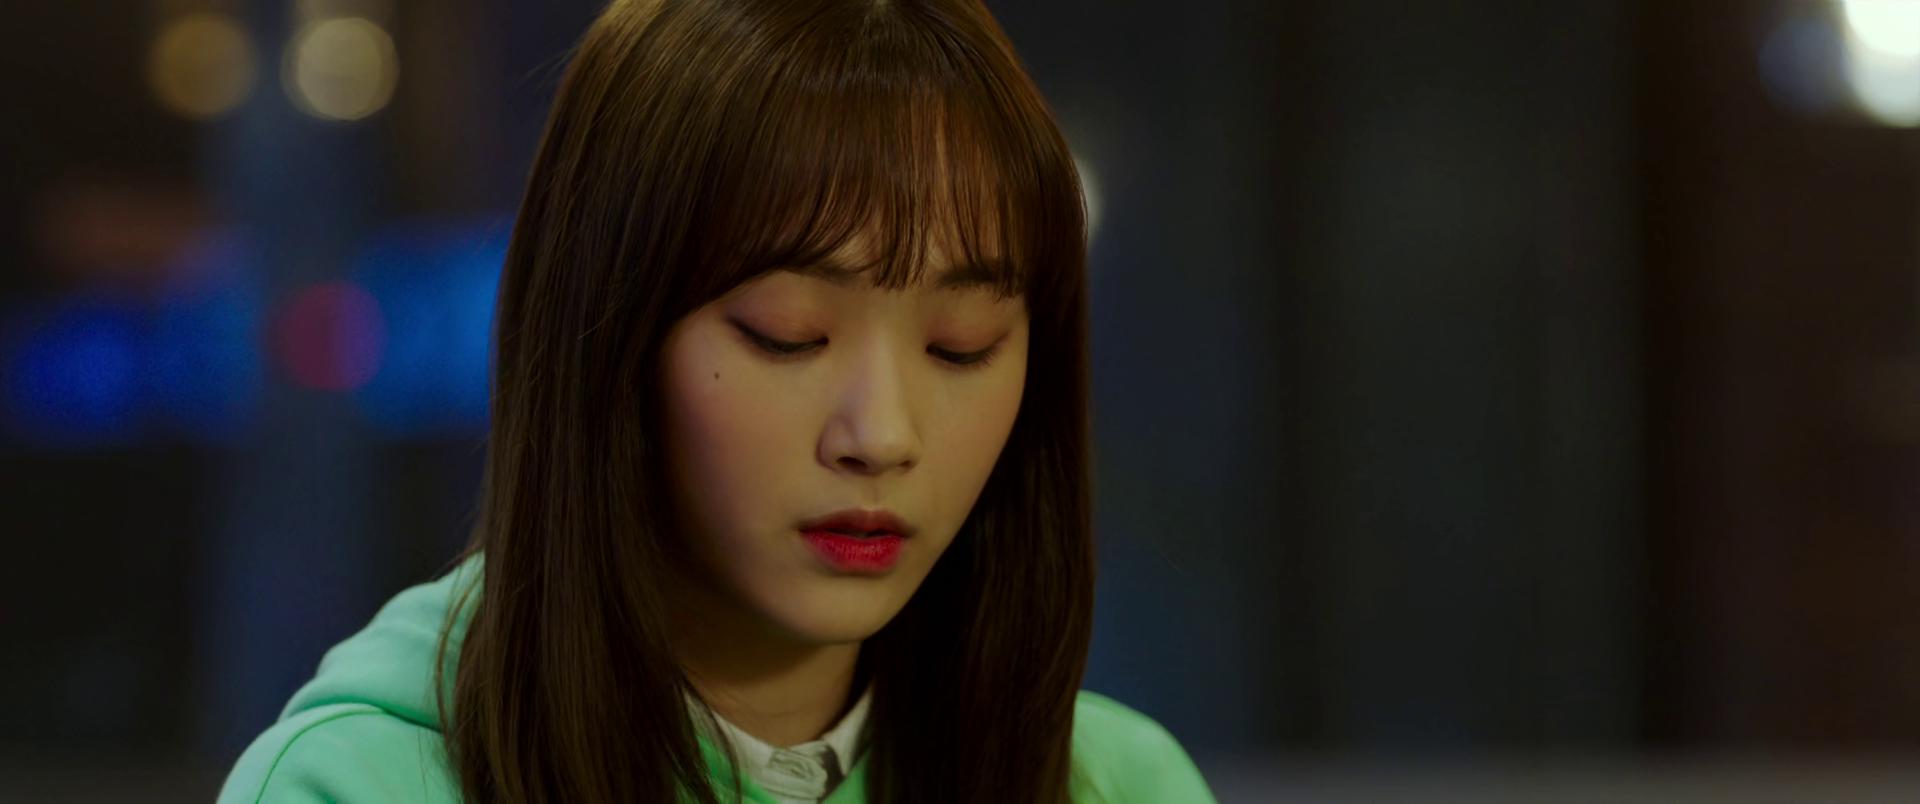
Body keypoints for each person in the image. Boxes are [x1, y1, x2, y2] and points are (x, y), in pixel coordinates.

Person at [218, 0, 1216, 801]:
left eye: (962, 347)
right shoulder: (359, 785)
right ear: (610, 338)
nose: (881, 435)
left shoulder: (1113, 784)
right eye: (788, 334)